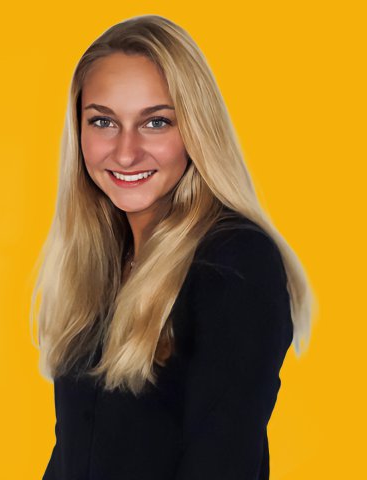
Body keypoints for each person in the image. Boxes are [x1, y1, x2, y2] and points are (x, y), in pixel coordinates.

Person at [30, 14, 316, 480]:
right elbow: (73, 456)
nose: (125, 152)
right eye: (103, 121)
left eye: (155, 122)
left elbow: (223, 462)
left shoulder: (235, 261)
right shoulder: (103, 259)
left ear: (196, 129)